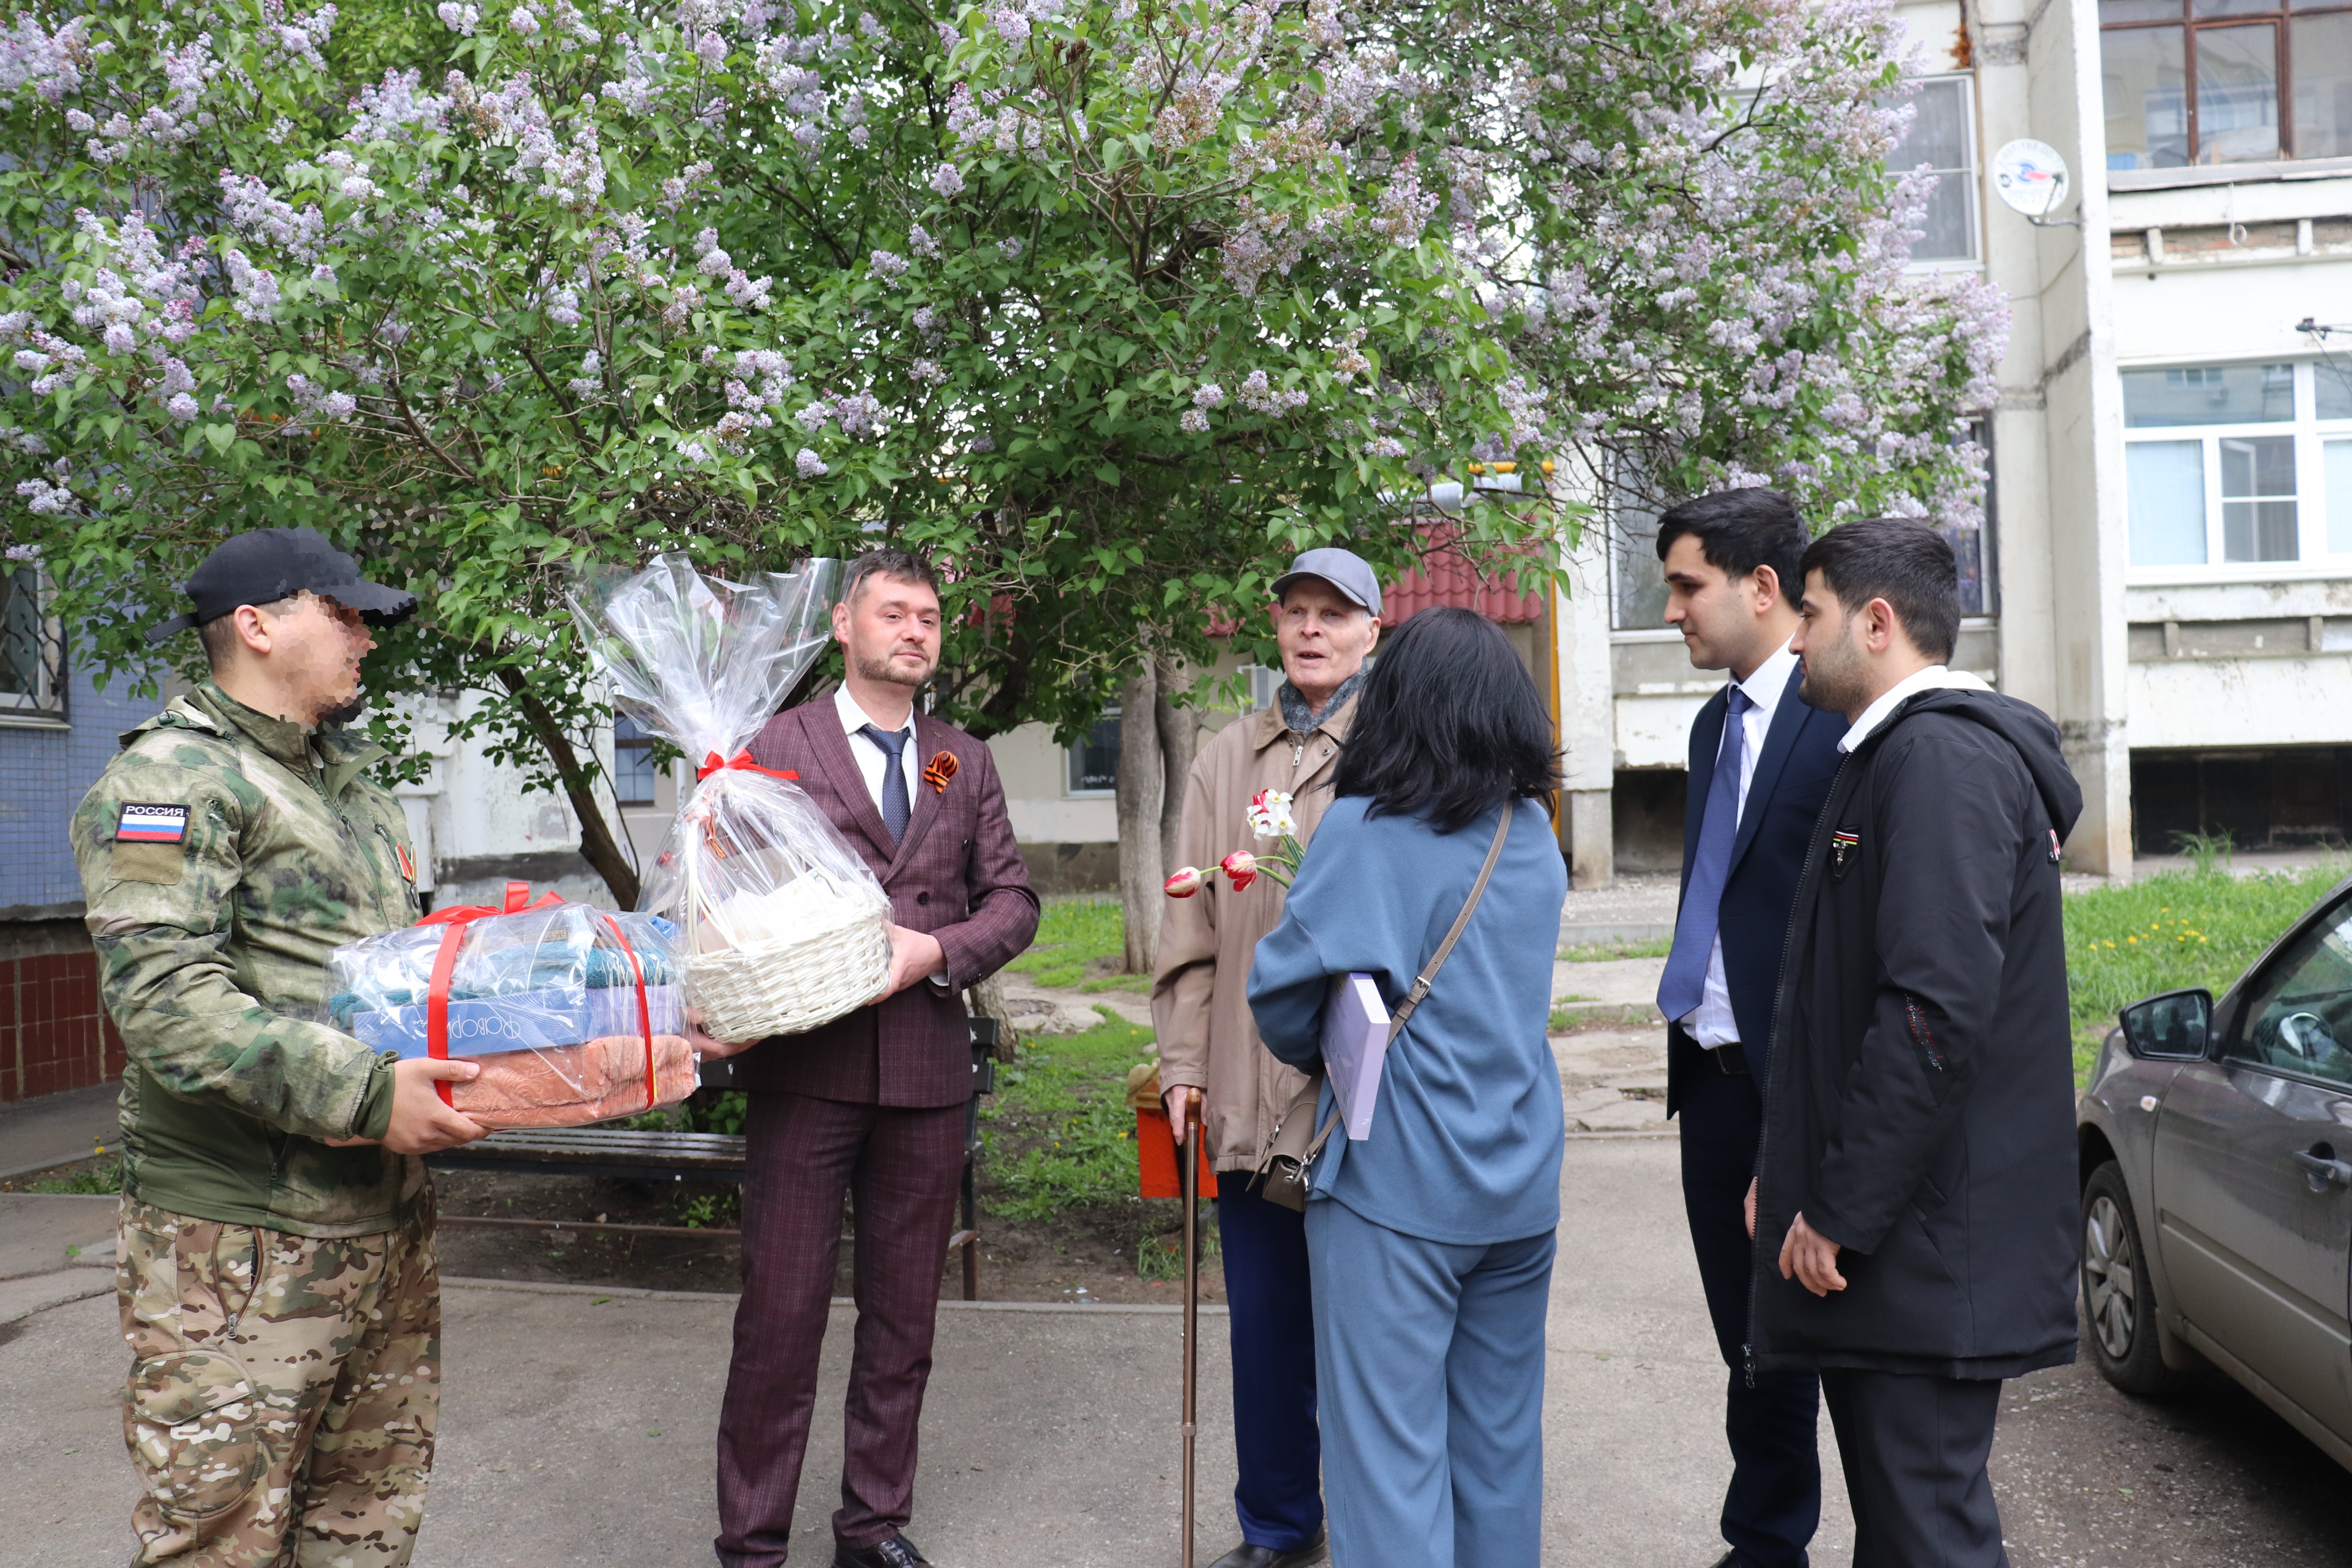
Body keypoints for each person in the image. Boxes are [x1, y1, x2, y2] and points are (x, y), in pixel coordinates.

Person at [71, 527, 494, 1566]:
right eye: (342, 614)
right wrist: (363, 1095)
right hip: (240, 1242)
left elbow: (390, 975)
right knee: (221, 1539)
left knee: (365, 1524)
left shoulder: (348, 782)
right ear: (257, 626)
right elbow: (166, 1000)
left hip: (382, 1223)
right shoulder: (173, 781)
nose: (367, 639)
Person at [1750, 519, 2080, 1568]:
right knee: (1903, 1536)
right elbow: (1847, 1004)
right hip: (1909, 1247)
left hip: (1921, 1250)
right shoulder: (1900, 755)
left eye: (1809, 613)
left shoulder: (1938, 758)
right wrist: (1790, 1172)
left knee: (1928, 1537)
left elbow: (1931, 1014)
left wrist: (1839, 1209)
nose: (1794, 639)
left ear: (1876, 622)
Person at [708, 547, 1040, 1568]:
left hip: (930, 1081)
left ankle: (873, 1528)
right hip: (806, 1071)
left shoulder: (962, 759)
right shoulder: (773, 745)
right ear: (844, 627)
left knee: (905, 1323)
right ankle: (753, 1545)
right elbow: (725, 893)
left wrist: (939, 948)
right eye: (893, 613)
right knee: (780, 1321)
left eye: (930, 617)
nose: (915, 630)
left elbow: (1016, 903)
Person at [1246, 606, 1567, 1568]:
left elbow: (1282, 998)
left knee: (1387, 1460)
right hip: (1520, 1183)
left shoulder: (1364, 830)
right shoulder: (1533, 832)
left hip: (1398, 1187)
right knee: (1500, 1449)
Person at [1153, 545, 1384, 1568]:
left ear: (1373, 629)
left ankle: (1383, 1525)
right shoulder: (1224, 756)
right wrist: (1183, 1069)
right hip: (1250, 1088)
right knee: (1266, 1330)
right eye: (1295, 611)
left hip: (1363, 1097)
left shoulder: (1400, 749)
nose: (1310, 629)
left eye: (1333, 613)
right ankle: (1280, 1526)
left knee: (1372, 1333)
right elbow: (1192, 937)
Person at [1652, 490, 1844, 1568]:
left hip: (1802, 1085)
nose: (1673, 610)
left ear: (1761, 588)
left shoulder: (1840, 716)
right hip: (1712, 1081)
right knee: (1750, 1341)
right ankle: (1767, 1540)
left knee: (1831, 1332)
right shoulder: (1710, 722)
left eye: (1687, 587)